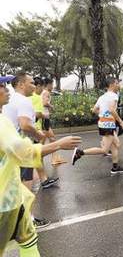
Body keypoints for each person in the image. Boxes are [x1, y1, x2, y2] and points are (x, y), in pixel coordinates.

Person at [0, 78, 82, 257]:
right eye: (2, 87)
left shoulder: (3, 118)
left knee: (28, 238)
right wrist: (57, 144)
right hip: (4, 202)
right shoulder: (1, 124)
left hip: (12, 196)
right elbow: (23, 152)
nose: (7, 90)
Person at [3, 72, 56, 228]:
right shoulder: (23, 101)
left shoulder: (10, 99)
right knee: (29, 183)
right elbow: (25, 125)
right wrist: (38, 134)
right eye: (31, 83)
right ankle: (27, 220)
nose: (35, 85)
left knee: (18, 182)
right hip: (19, 149)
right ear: (21, 84)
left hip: (10, 148)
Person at [71, 77, 123, 175]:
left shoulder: (102, 97)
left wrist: (103, 116)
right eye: (117, 83)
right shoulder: (114, 95)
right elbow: (111, 109)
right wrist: (121, 121)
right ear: (112, 84)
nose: (119, 85)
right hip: (108, 125)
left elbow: (94, 110)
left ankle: (115, 167)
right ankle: (80, 153)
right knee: (104, 150)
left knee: (116, 145)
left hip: (104, 123)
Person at [29, 77, 60, 190]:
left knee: (37, 153)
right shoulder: (36, 97)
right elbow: (37, 114)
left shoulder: (27, 97)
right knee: (37, 152)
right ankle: (41, 179)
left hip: (34, 129)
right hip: (36, 129)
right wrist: (45, 115)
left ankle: (44, 179)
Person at [41, 78, 66, 165]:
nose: (53, 86)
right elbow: (44, 103)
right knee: (47, 139)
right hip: (44, 118)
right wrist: (52, 106)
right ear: (48, 84)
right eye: (52, 84)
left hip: (44, 118)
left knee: (50, 138)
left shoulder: (43, 92)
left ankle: (54, 158)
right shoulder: (46, 92)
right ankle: (39, 159)